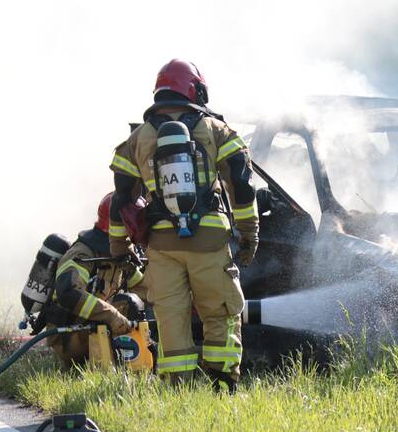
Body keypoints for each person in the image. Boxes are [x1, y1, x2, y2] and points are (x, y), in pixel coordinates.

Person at [108, 59, 257, 391]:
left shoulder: (138, 138)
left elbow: (121, 201)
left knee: (171, 322)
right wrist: (250, 234)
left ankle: (179, 392)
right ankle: (222, 389)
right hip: (209, 242)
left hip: (161, 246)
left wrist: (119, 248)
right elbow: (241, 184)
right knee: (220, 315)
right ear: (196, 90)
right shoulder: (216, 130)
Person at [46, 193, 148, 369]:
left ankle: (137, 364)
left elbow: (145, 290)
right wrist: (111, 315)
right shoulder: (83, 253)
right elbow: (68, 293)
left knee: (135, 304)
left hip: (94, 328)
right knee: (127, 304)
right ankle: (111, 369)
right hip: (67, 337)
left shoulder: (120, 256)